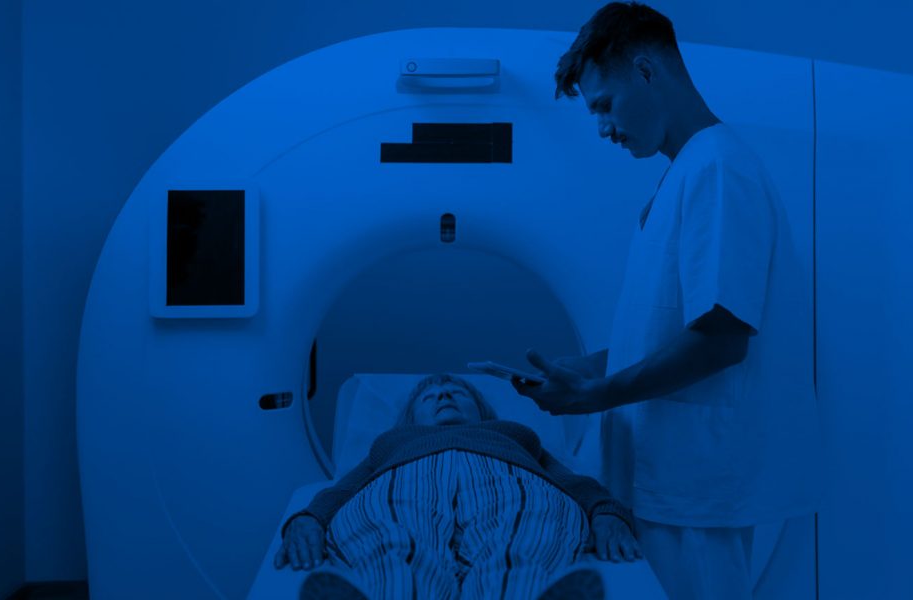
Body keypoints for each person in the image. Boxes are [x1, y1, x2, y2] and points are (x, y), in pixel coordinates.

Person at [513, 3, 821, 598]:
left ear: (646, 70)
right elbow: (672, 330)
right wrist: (592, 368)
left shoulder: (719, 169)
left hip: (695, 484)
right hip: (668, 481)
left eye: (604, 105)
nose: (603, 128)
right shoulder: (686, 171)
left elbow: (722, 340)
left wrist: (598, 395)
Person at [275, 374, 640, 600]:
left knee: (523, 535)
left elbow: (569, 481)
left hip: (508, 478)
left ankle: (521, 590)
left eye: (457, 392)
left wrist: (605, 511)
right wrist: (310, 518)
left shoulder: (515, 435)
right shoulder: (391, 442)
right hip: (404, 481)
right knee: (392, 539)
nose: (444, 396)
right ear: (411, 418)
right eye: (430, 396)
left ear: (481, 410)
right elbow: (344, 489)